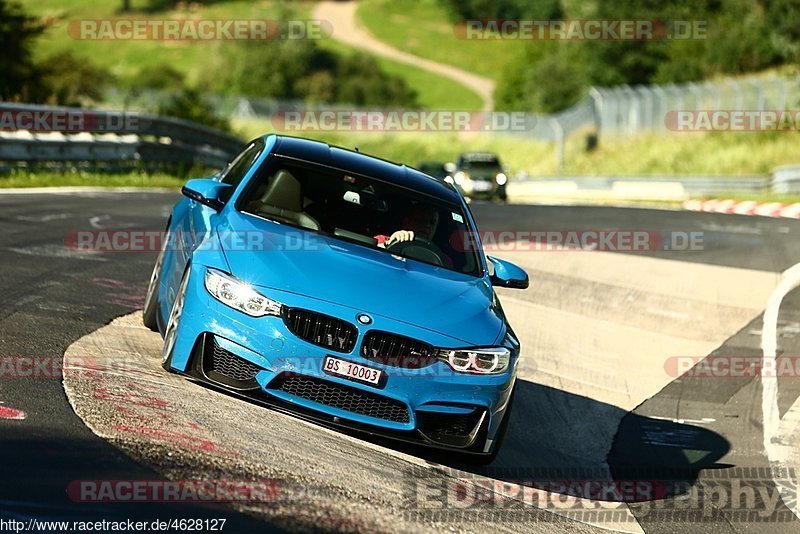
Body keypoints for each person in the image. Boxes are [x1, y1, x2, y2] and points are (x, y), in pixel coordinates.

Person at [375, 203, 440, 248]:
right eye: (420, 220)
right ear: (406, 222)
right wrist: (390, 243)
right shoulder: (383, 240)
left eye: (432, 223)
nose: (427, 225)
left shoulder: (441, 258)